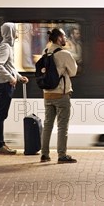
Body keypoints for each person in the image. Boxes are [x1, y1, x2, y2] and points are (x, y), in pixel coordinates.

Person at [40, 28, 78, 164]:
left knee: (48, 124)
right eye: (64, 36)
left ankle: (44, 154)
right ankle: (62, 155)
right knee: (62, 126)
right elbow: (73, 72)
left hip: (47, 94)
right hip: (61, 94)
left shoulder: (46, 52)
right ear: (58, 38)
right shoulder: (64, 54)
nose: (65, 39)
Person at [0, 22, 28, 155]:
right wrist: (10, 79)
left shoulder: (7, 47)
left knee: (2, 115)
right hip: (4, 85)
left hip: (6, 84)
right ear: (11, 32)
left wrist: (19, 77)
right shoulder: (5, 48)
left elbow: (10, 67)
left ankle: (0, 144)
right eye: (15, 31)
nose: (17, 34)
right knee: (0, 115)